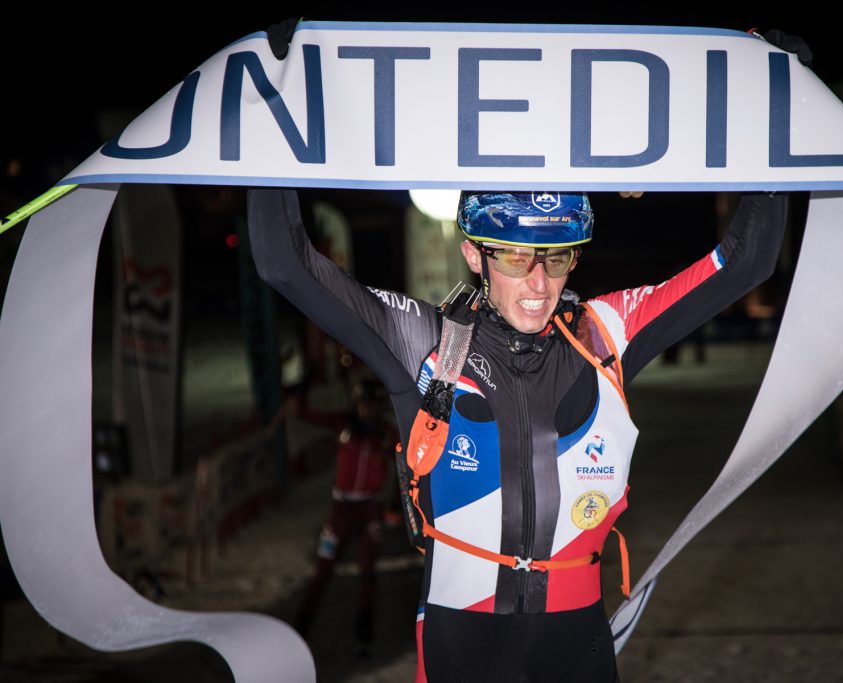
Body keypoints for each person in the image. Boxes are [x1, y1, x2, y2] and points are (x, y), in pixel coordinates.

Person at [248, 186, 788, 681]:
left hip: (576, 640)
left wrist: (775, 122)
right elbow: (285, 263)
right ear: (473, 254)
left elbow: (747, 260)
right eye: (514, 255)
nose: (539, 282)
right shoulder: (424, 340)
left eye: (556, 257)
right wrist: (273, 132)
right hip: (462, 637)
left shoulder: (606, 333)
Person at [292, 373, 397, 659]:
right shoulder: (343, 424)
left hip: (370, 509)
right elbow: (304, 414)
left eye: (372, 404)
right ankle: (300, 629)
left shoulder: (384, 432)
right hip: (341, 511)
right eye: (363, 404)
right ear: (356, 403)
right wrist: (303, 389)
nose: (368, 409)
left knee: (368, 573)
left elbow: (408, 456)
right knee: (323, 571)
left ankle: (363, 637)